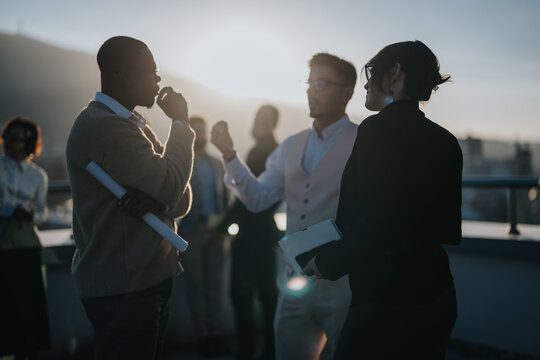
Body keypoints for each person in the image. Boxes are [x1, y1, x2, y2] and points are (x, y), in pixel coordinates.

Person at [304, 40, 461, 359]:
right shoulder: (446, 141)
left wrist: (326, 262)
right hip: (437, 293)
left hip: (385, 298)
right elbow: (445, 226)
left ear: (395, 72)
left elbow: (380, 220)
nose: (365, 83)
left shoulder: (377, 129)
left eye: (371, 72)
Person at [211, 53, 358, 360]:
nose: (310, 90)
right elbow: (258, 198)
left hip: (346, 284)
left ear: (347, 92)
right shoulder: (291, 144)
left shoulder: (363, 142)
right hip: (295, 282)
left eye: (321, 82)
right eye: (309, 82)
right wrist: (229, 156)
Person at [65, 36, 194, 360]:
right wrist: (180, 122)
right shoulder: (104, 126)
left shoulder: (131, 124)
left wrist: (158, 200)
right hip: (125, 289)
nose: (158, 80)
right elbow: (171, 185)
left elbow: (180, 199)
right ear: (125, 76)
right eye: (152, 71)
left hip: (143, 281)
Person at [217, 105, 282, 360]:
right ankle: (270, 352)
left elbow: (245, 197)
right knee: (268, 300)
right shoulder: (278, 151)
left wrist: (221, 228)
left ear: (262, 121)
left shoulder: (258, 151)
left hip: (249, 237)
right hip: (268, 235)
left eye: (256, 119)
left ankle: (245, 353)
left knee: (241, 297)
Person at [176, 115, 230, 356]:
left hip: (216, 232)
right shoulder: (184, 162)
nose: (200, 134)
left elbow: (225, 201)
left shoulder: (218, 164)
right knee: (195, 288)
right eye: (195, 130)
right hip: (191, 233)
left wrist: (223, 229)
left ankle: (217, 334)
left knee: (215, 287)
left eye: (203, 130)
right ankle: (203, 337)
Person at [0, 117, 50, 360]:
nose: (10, 142)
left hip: (27, 247)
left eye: (18, 138)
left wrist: (30, 214)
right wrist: (11, 210)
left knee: (29, 309)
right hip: (3, 246)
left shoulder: (38, 176)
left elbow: (41, 212)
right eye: (8, 136)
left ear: (29, 143)